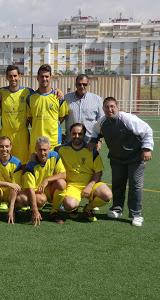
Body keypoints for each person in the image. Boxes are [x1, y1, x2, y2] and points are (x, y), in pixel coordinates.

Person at [90, 97, 153, 227]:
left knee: (135, 185)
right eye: (107, 107)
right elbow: (95, 132)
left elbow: (147, 130)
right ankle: (116, 209)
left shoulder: (127, 119)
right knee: (118, 184)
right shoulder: (102, 122)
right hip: (116, 159)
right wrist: (93, 141)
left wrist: (146, 149)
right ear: (103, 109)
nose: (110, 109)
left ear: (117, 107)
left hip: (135, 158)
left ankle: (136, 214)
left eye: (112, 106)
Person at [56, 123, 112, 222]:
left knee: (107, 195)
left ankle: (88, 208)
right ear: (70, 134)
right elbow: (48, 155)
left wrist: (90, 186)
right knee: (69, 205)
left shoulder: (91, 150)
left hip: (89, 183)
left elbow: (98, 172)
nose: (76, 136)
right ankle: (74, 208)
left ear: (84, 135)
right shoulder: (62, 149)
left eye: (80, 134)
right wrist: (34, 156)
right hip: (72, 186)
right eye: (74, 134)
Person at [13, 136, 66, 226]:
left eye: (45, 150)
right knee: (34, 199)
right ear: (35, 149)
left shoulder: (54, 156)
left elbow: (63, 174)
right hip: (34, 192)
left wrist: (47, 180)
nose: (42, 153)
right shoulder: (30, 167)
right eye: (40, 150)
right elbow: (30, 191)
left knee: (61, 183)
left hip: (47, 189)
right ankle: (23, 209)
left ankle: (54, 212)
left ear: (49, 149)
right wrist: (35, 211)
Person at [27, 64, 68, 155]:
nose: (44, 79)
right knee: (37, 168)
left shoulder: (58, 97)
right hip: (36, 141)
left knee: (54, 168)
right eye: (42, 76)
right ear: (37, 78)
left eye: (47, 76)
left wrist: (52, 124)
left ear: (51, 77)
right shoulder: (30, 98)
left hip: (53, 141)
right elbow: (30, 118)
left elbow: (62, 116)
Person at [0, 65, 34, 164]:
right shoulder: (1, 92)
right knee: (5, 162)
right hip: (6, 133)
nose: (13, 78)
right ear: (6, 77)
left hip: (21, 134)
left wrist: (57, 91)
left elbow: (41, 93)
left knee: (22, 163)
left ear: (19, 76)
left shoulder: (27, 92)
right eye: (10, 76)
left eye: (15, 76)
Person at [0, 136, 23, 222]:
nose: (4, 149)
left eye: (7, 146)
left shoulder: (17, 163)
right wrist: (8, 184)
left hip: (10, 193)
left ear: (11, 147)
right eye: (1, 146)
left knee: (22, 198)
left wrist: (11, 209)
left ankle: (14, 210)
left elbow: (15, 187)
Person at [64, 74, 104, 143]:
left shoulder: (97, 99)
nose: (82, 86)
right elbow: (58, 118)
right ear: (75, 85)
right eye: (79, 84)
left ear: (88, 84)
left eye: (84, 84)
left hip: (90, 142)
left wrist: (99, 140)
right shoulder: (66, 98)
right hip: (71, 141)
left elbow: (102, 121)